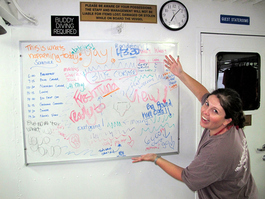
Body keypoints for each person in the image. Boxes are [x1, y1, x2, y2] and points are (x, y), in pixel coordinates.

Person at [132, 55, 258, 199]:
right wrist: (180, 73)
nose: (205, 111)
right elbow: (202, 94)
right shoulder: (232, 121)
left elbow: (187, 177)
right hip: (245, 191)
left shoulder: (216, 152)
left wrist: (156, 158)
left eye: (214, 111)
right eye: (207, 104)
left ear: (227, 120)